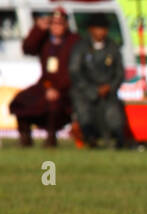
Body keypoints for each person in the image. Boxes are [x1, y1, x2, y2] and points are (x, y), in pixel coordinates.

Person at [10, 8, 79, 147]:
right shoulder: (45, 39)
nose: (56, 27)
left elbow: (74, 71)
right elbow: (28, 48)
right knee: (20, 100)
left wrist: (58, 89)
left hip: (66, 88)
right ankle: (25, 137)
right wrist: (38, 29)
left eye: (60, 23)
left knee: (53, 105)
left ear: (66, 24)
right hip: (45, 85)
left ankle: (51, 138)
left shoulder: (74, 42)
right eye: (53, 23)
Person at [67, 13, 128, 148]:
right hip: (85, 91)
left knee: (113, 112)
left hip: (108, 90)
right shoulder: (81, 47)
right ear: (91, 29)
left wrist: (110, 87)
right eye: (98, 28)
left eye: (103, 28)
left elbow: (119, 73)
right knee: (84, 111)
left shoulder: (112, 47)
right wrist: (93, 90)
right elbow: (75, 72)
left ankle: (118, 138)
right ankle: (89, 137)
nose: (101, 32)